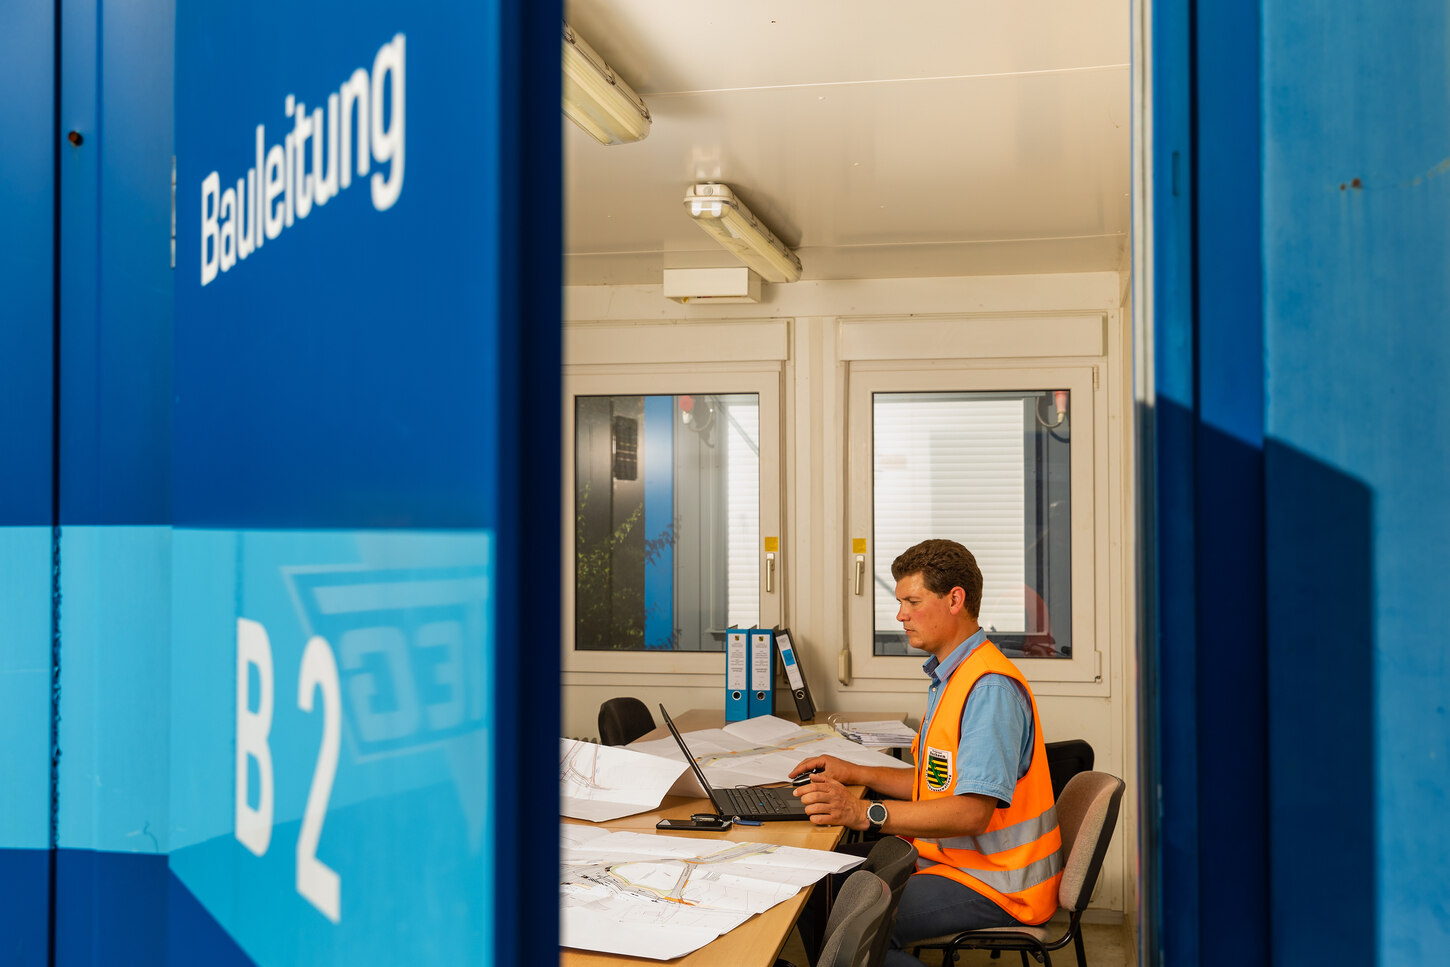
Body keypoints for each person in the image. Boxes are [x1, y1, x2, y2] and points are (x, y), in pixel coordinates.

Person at [791, 539, 1061, 966]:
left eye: (912, 601)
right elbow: (935, 783)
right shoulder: (952, 675)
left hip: (996, 883)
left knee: (857, 926)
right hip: (948, 860)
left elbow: (971, 812)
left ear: (955, 599)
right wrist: (854, 771)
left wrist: (865, 814)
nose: (900, 615)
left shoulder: (987, 688)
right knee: (809, 883)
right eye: (900, 602)